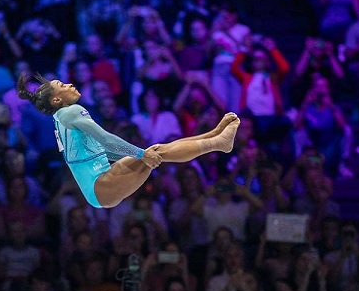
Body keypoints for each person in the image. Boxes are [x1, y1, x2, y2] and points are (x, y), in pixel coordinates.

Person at [16, 73, 239, 208]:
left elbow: (100, 151)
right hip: (100, 186)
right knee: (154, 153)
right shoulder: (71, 112)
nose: (69, 85)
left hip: (101, 182)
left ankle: (214, 136)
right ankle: (218, 143)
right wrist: (141, 154)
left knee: (157, 149)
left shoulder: (61, 118)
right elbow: (106, 139)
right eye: (62, 86)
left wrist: (140, 153)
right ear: (56, 99)